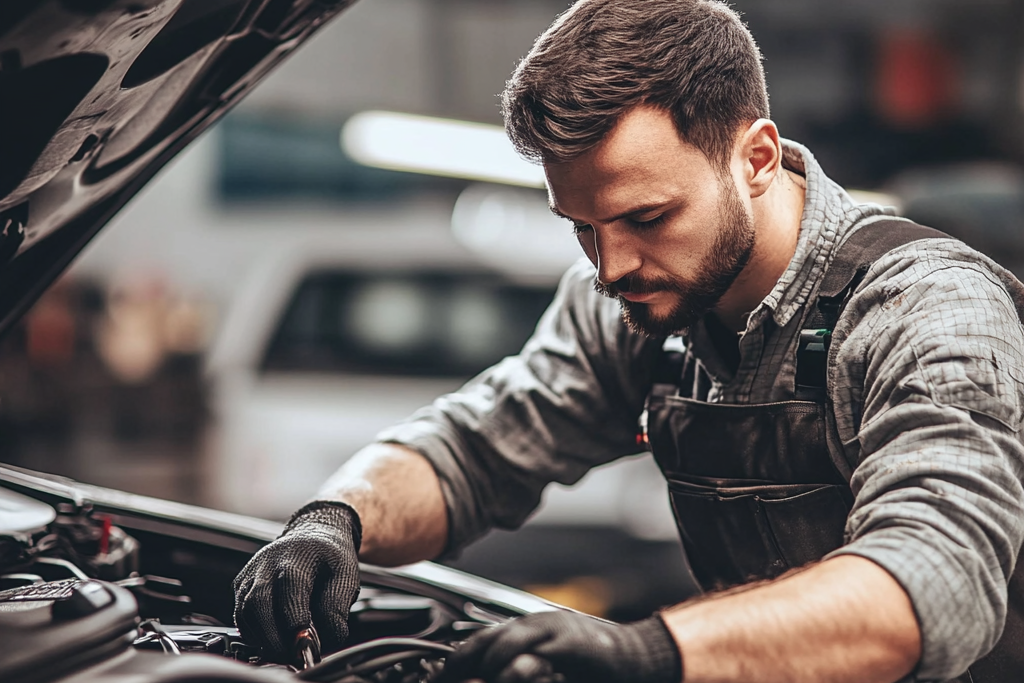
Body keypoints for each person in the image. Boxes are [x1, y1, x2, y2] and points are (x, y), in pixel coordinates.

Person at [231, 1, 1024, 681]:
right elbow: (476, 445)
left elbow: (934, 579)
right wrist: (333, 518)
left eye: (647, 218)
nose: (611, 267)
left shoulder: (926, 309)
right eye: (583, 228)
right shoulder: (640, 298)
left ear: (754, 158)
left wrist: (653, 652)